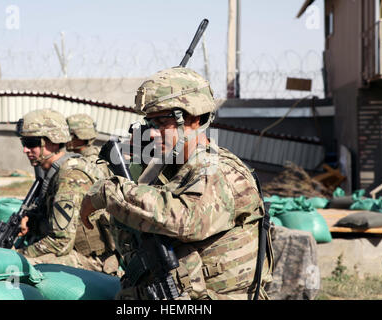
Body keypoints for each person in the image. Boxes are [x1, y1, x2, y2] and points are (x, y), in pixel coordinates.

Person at [80, 66, 274, 300]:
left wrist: (107, 192)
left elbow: (185, 219)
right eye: (149, 124)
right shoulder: (173, 167)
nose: (151, 134)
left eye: (162, 122)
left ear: (193, 118)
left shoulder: (219, 169)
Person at [15, 108, 109, 270]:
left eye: (31, 143)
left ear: (53, 141)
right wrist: (31, 222)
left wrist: (19, 254)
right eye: (24, 143)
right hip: (76, 252)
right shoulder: (55, 172)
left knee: (19, 266)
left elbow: (61, 243)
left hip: (95, 261)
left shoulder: (71, 175)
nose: (25, 149)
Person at [66, 113, 123, 277]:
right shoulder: (101, 157)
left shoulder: (84, 164)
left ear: (79, 136)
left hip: (96, 242)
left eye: (69, 134)